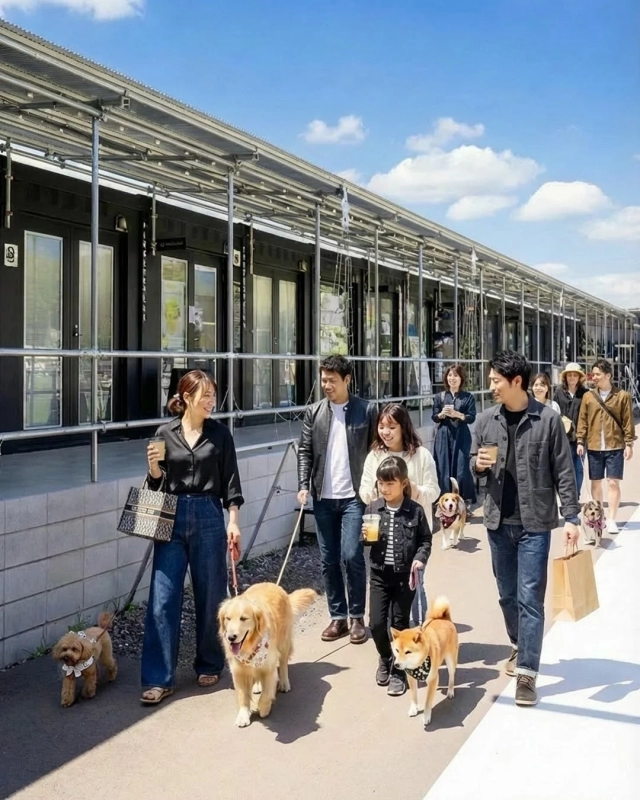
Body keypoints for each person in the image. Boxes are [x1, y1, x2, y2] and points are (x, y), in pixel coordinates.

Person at [471, 351, 580, 707]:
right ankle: (519, 644)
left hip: (535, 523)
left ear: (516, 381)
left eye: (495, 381)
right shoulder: (486, 421)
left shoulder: (547, 420)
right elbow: (475, 468)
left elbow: (564, 470)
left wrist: (573, 518)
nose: (491, 387)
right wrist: (479, 467)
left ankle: (527, 675)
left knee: (530, 599)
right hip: (497, 521)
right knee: (506, 594)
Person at [140, 370, 243, 705]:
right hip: (171, 513)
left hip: (210, 514)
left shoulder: (220, 434)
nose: (212, 401)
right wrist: (155, 469)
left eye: (213, 395)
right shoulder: (164, 433)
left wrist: (233, 521)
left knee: (212, 594)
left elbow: (231, 481)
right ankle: (159, 678)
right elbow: (154, 484)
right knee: (162, 597)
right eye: (206, 396)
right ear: (186, 398)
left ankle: (209, 662)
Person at [297, 354, 377, 644]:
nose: (326, 385)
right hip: (322, 497)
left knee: (352, 555)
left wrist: (375, 486)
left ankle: (357, 616)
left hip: (354, 495)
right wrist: (303, 484)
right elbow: (305, 450)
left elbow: (376, 451)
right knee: (328, 560)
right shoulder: (314, 412)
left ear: (347, 379)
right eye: (323, 379)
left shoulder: (367, 411)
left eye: (332, 380)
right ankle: (337, 617)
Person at [359, 403, 438, 625]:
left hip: (413, 533)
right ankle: (394, 638)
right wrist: (379, 490)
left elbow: (434, 491)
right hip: (383, 532)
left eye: (391, 427)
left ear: (403, 427)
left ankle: (420, 633)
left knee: (413, 583)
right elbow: (364, 491)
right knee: (385, 583)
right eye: (382, 426)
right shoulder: (374, 455)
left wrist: (413, 489)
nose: (385, 432)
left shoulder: (421, 455)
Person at [364, 456, 432, 696]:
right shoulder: (373, 508)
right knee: (377, 623)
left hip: (404, 578)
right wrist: (365, 536)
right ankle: (385, 657)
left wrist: (419, 558)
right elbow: (364, 540)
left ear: (403, 483)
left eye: (390, 484)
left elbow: (425, 539)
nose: (384, 489)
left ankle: (398, 671)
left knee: (400, 624)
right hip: (379, 574)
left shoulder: (415, 511)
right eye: (381, 484)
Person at [576, 359, 636, 534]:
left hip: (615, 446)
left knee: (613, 483)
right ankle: (599, 517)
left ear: (608, 375)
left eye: (597, 374)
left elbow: (628, 422)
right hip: (594, 446)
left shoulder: (622, 396)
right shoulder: (588, 396)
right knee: (596, 484)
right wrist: (580, 441)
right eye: (593, 374)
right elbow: (583, 420)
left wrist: (629, 444)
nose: (594, 377)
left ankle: (611, 519)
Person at [432, 364, 477, 509]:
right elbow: (434, 416)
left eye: (455, 375)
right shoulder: (440, 396)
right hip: (443, 435)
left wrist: (457, 414)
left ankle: (463, 502)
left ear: (461, 378)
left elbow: (471, 417)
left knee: (461, 469)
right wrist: (441, 414)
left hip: (461, 435)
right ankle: (443, 503)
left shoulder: (468, 397)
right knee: (443, 467)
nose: (452, 378)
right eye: (450, 375)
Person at [554, 362, 588, 495]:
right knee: (565, 469)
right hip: (563, 437)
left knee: (578, 468)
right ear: (565, 377)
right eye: (570, 375)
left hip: (580, 438)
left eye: (575, 375)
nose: (572, 378)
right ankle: (567, 496)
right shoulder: (558, 392)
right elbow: (555, 411)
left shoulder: (585, 393)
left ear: (579, 378)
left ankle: (576, 495)